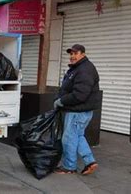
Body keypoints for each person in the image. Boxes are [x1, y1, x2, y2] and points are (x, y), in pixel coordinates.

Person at [53, 44, 100, 176]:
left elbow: (80, 94)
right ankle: (90, 162)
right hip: (80, 111)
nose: (72, 56)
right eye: (71, 54)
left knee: (68, 139)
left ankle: (69, 167)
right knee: (77, 136)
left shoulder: (84, 70)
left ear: (83, 54)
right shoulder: (78, 68)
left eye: (75, 53)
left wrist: (61, 101)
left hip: (78, 111)